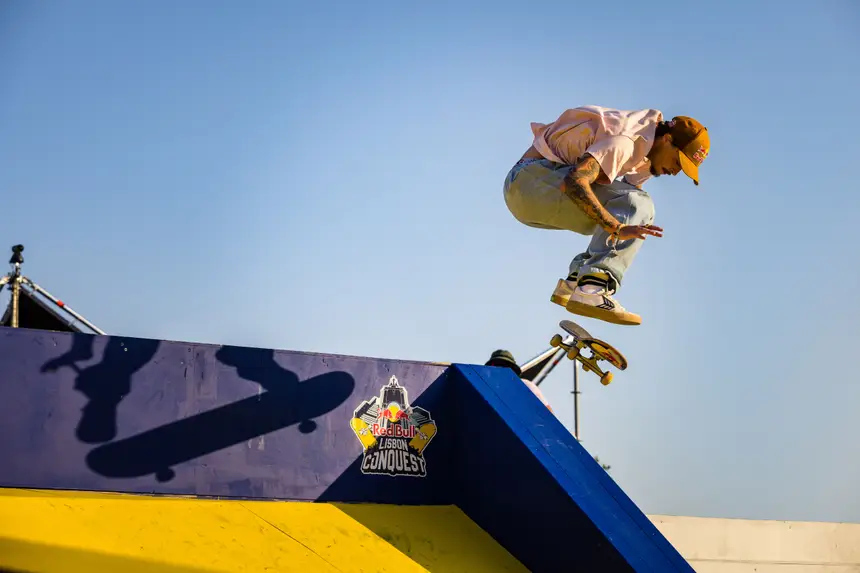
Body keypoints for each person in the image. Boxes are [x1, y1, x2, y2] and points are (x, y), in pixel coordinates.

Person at [502, 105, 710, 326]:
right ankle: (592, 287)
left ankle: (576, 281)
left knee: (628, 210)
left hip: (530, 195)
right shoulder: (624, 142)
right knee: (637, 206)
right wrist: (615, 227)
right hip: (529, 181)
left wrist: (617, 226)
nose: (676, 172)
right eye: (678, 162)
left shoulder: (646, 154)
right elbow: (575, 182)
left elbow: (626, 208)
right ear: (667, 139)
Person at [485, 349, 553, 413]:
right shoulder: (488, 391)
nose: (498, 369)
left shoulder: (525, 385)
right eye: (495, 365)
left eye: (503, 365)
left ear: (512, 370)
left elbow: (549, 414)